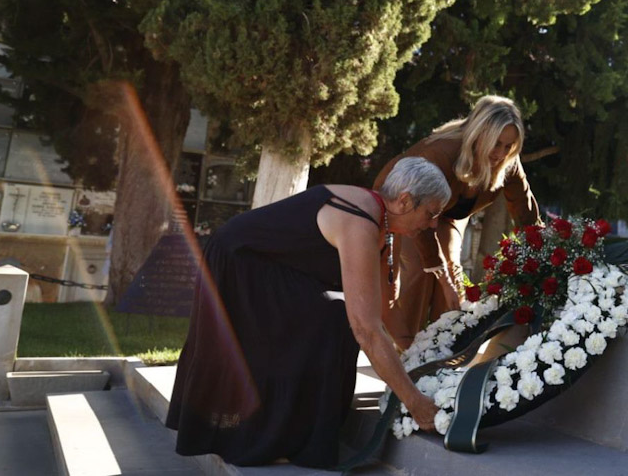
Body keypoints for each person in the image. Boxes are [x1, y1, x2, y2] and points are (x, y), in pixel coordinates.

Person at [166, 157, 450, 468]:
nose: (433, 224)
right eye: (431, 213)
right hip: (240, 262)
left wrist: (414, 359)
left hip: (268, 264)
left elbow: (380, 314)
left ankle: (294, 432)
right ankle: (277, 435)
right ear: (405, 200)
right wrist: (415, 402)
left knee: (335, 317)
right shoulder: (360, 222)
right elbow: (367, 328)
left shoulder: (381, 222)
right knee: (334, 320)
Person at [375, 96, 540, 349]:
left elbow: (525, 210)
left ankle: (445, 350)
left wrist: (544, 251)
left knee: (453, 272)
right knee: (421, 269)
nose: (501, 153)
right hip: (406, 208)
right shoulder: (439, 153)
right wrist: (441, 276)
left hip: (449, 214)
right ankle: (406, 353)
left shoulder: (508, 162)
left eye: (509, 146)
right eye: (496, 143)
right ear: (479, 134)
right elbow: (419, 218)